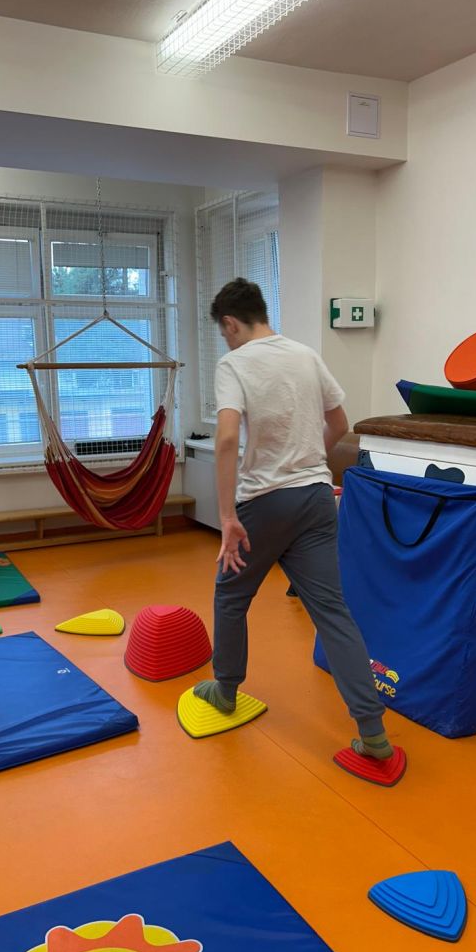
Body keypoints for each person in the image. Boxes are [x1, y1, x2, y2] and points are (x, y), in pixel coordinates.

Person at [192, 279, 393, 762]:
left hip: (264, 502)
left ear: (230, 323)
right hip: (317, 498)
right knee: (332, 612)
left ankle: (225, 689)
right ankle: (373, 733)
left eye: (224, 332)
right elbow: (340, 423)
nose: (227, 341)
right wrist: (310, 464)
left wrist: (226, 516)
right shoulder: (305, 355)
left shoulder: (234, 364)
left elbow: (226, 439)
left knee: (231, 596)